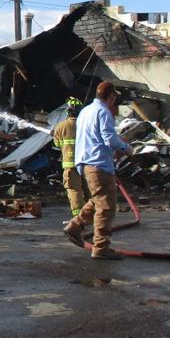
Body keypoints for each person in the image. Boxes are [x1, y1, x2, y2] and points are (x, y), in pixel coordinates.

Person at [63, 82, 129, 260]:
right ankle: (101, 247)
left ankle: (75, 226)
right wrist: (126, 148)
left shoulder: (86, 111)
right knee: (107, 207)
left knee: (98, 200)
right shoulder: (103, 112)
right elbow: (109, 138)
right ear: (112, 97)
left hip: (85, 163)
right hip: (98, 164)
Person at [52, 97, 86, 218]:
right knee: (88, 190)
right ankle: (91, 215)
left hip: (70, 164)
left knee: (74, 189)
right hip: (87, 163)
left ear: (68, 111)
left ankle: (78, 217)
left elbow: (57, 144)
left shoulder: (61, 126)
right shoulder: (85, 124)